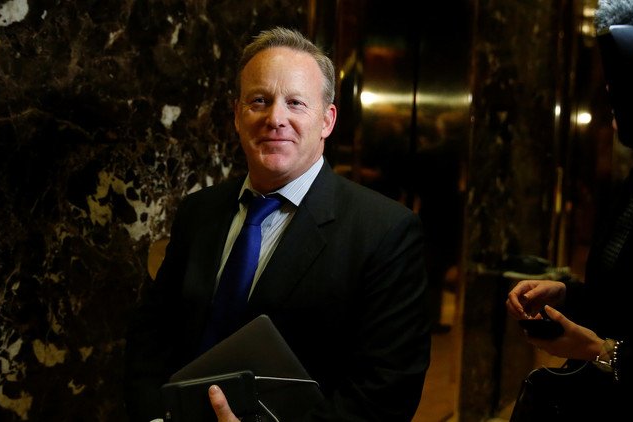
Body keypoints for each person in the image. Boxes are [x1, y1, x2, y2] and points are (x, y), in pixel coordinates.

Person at [124, 26, 431, 422]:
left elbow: (386, 392)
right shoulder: (198, 211)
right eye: (259, 100)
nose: (275, 118)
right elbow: (151, 335)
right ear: (237, 115)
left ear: (327, 120)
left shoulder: (385, 231)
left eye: (296, 103)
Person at [506, 0, 633, 419]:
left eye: (621, 76)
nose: (609, 90)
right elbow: (628, 302)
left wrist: (597, 350)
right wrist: (566, 295)